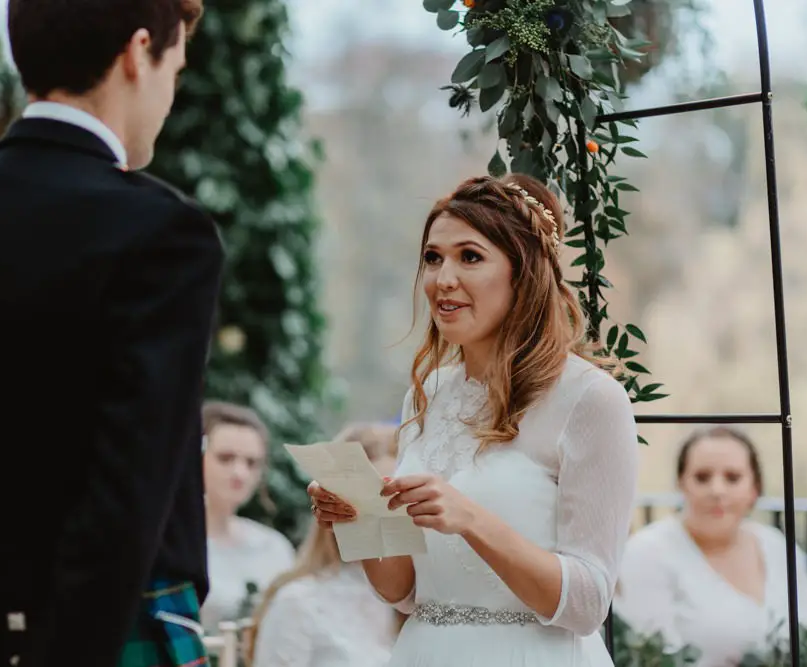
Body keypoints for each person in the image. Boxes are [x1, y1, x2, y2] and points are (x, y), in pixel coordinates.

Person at [0, 2, 222, 667]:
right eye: (176, 66)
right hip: (106, 632)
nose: (170, 96)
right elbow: (124, 502)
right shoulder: (163, 234)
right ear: (140, 52)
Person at [309, 173, 639, 666]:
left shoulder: (592, 400)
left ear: (522, 272)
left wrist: (471, 520)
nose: (444, 279)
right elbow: (405, 591)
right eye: (432, 258)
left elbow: (589, 605)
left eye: (470, 257)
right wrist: (361, 520)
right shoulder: (428, 394)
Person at [614, 427, 807, 666]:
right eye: (702, 477)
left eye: (732, 477)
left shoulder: (780, 549)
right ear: (681, 484)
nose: (717, 490)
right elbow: (649, 657)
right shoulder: (646, 553)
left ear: (755, 488)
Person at [249, 422, 400, 667]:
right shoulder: (298, 601)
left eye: (397, 496)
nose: (387, 510)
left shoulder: (423, 601)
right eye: (373, 494)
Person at [199, 401, 294, 633]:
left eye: (251, 463)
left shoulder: (274, 546)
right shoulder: (168, 543)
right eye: (225, 458)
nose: (240, 473)